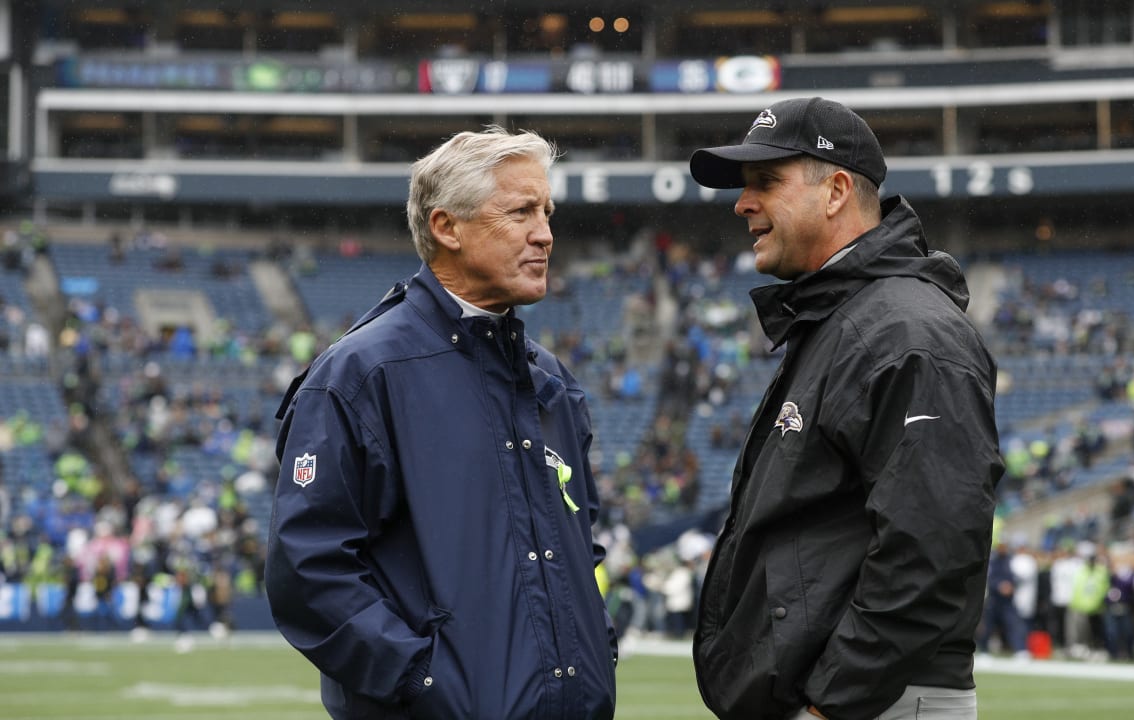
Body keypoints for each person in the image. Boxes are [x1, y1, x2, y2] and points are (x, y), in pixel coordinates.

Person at [265, 126, 617, 720]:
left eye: (548, 212)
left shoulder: (551, 380)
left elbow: (576, 549)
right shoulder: (363, 373)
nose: (545, 234)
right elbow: (308, 567)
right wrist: (424, 681)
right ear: (446, 227)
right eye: (521, 211)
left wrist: (593, 648)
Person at [687, 97, 1003, 720]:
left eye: (766, 182)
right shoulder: (849, 318)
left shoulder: (905, 331)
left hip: (874, 702)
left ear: (835, 191)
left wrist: (831, 705)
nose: (742, 203)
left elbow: (931, 548)